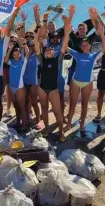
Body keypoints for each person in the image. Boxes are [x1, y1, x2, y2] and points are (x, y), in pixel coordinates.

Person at [34, 9, 74, 142]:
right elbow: (37, 45)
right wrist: (37, 34)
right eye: (48, 49)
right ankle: (46, 128)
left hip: (54, 88)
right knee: (44, 109)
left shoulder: (58, 59)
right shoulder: (41, 59)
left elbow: (63, 45)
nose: (50, 50)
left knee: (57, 110)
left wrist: (67, 32)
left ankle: (61, 131)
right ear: (45, 51)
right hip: (42, 87)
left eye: (51, 50)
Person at [65, 20, 105, 138]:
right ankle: (68, 124)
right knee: (72, 104)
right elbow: (65, 47)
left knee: (84, 104)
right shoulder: (77, 54)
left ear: (90, 46)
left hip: (87, 83)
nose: (84, 47)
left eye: (86, 45)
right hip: (75, 82)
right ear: (81, 47)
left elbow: (104, 48)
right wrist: (67, 33)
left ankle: (82, 124)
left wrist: (102, 34)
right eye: (82, 46)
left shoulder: (94, 56)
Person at [4, 38, 30, 131]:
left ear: (20, 54)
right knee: (16, 106)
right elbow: (6, 60)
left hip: (20, 88)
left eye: (17, 54)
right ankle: (18, 122)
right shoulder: (12, 62)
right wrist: (10, 48)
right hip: (11, 87)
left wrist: (24, 44)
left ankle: (25, 125)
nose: (16, 56)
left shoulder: (23, 62)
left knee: (22, 107)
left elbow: (27, 53)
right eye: (14, 54)